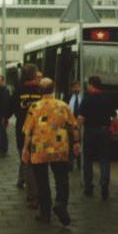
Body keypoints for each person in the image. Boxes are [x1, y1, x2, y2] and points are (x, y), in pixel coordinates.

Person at [22, 77, 80, 225]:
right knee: (62, 179)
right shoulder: (63, 105)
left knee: (42, 181)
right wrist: (77, 143)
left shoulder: (35, 107)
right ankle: (61, 204)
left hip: (39, 149)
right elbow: (74, 126)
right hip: (59, 148)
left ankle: (45, 214)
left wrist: (25, 149)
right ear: (53, 89)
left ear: (39, 91)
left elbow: (28, 131)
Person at [8, 63, 43, 203]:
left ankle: (32, 193)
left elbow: (9, 107)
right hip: (40, 131)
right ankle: (39, 190)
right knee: (38, 161)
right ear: (35, 75)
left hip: (22, 130)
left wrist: (5, 118)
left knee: (26, 159)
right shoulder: (41, 91)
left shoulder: (18, 90)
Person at [78, 75, 117, 200]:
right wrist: (114, 131)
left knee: (88, 160)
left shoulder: (87, 99)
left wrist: (76, 130)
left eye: (88, 85)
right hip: (104, 132)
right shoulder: (108, 98)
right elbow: (115, 118)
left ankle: (88, 187)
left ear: (91, 85)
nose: (87, 87)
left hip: (90, 132)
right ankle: (104, 184)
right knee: (104, 160)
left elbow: (81, 119)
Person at [66, 80, 83, 171]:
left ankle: (80, 164)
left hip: (81, 124)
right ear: (72, 88)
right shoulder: (68, 97)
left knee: (80, 144)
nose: (76, 89)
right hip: (70, 124)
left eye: (78, 87)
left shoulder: (83, 97)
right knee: (70, 144)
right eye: (75, 87)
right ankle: (70, 164)